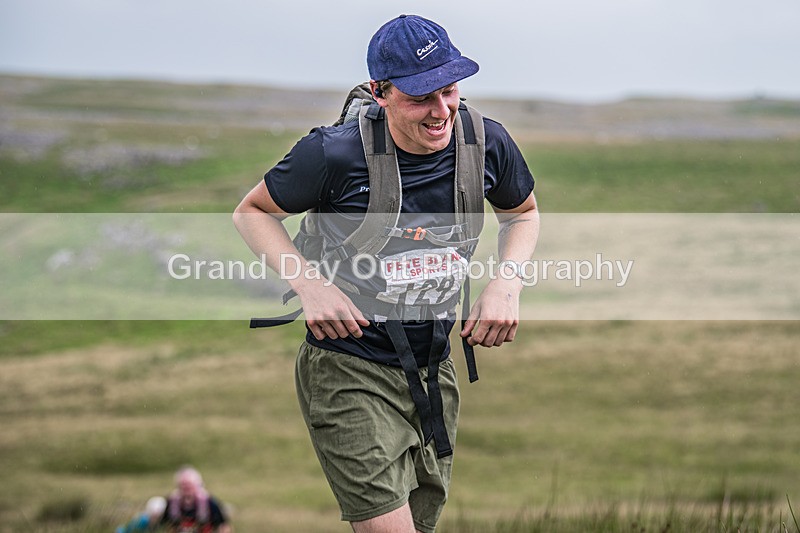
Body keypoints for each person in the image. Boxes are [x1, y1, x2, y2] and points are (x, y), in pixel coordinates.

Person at [234, 14, 539, 533]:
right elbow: (252, 212)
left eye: (449, 90)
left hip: (434, 368)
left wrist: (506, 283)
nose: (441, 110)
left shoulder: (487, 142)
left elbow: (522, 214)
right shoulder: (333, 153)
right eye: (422, 97)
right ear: (381, 92)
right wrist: (310, 284)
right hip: (349, 366)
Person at [160, 466, 231, 533]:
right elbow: (162, 525)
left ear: (198, 485)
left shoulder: (209, 502)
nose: (186, 488)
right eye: (183, 485)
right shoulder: (172, 502)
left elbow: (223, 526)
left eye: (189, 485)